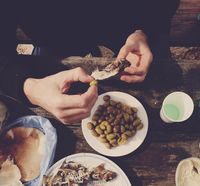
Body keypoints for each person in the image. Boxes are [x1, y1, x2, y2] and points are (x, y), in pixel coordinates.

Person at [0, 0, 180, 124]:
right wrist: (30, 87)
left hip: (126, 27)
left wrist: (146, 30)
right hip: (53, 36)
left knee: (162, 81)